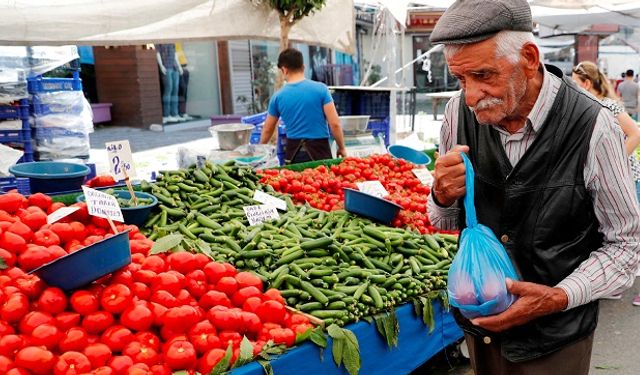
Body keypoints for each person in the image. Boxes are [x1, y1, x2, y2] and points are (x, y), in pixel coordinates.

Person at [428, 1, 640, 374]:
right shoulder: (456, 114)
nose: (472, 95)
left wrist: (558, 296)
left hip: (555, 340)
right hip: (482, 330)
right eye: (461, 79)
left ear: (528, 57)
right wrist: (442, 195)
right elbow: (445, 223)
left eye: (483, 75)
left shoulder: (593, 127)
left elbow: (627, 245)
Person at [260, 48, 347, 163]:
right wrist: (341, 147)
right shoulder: (321, 89)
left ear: (284, 70)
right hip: (320, 152)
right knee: (323, 181)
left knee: (297, 180)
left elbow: (267, 129)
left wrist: (260, 150)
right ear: (303, 67)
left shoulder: (277, 97)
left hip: (294, 154)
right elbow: (335, 124)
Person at [156, 44, 183, 124]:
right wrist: (161, 66)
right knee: (169, 89)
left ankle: (174, 113)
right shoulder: (159, 41)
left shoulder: (172, 41)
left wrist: (179, 66)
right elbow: (157, 53)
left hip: (174, 67)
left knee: (175, 90)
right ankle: (166, 115)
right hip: (166, 67)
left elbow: (174, 54)